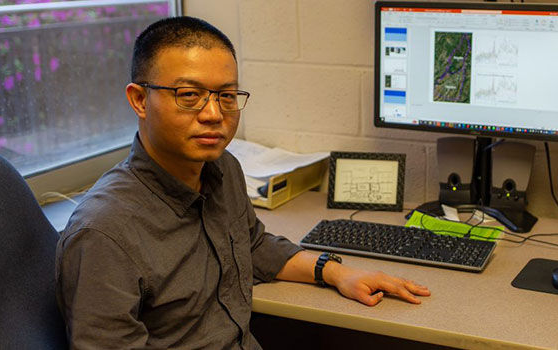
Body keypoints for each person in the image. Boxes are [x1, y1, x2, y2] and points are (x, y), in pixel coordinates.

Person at [55, 16, 430, 349]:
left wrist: (338, 272)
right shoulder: (104, 233)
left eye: (227, 96)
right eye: (189, 96)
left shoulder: (223, 169)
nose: (214, 114)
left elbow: (251, 245)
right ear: (139, 100)